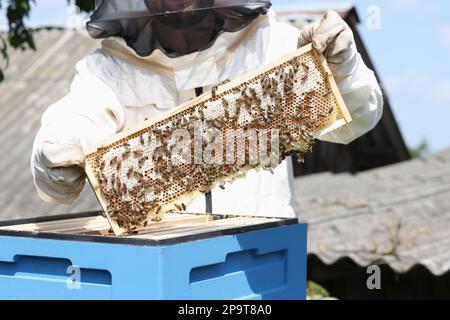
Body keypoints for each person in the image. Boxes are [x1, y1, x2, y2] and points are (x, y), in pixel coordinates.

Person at [31, 0, 383, 218]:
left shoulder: (270, 43)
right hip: (163, 269)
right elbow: (75, 121)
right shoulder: (110, 70)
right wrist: (56, 151)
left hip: (259, 272)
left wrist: (343, 68)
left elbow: (360, 117)